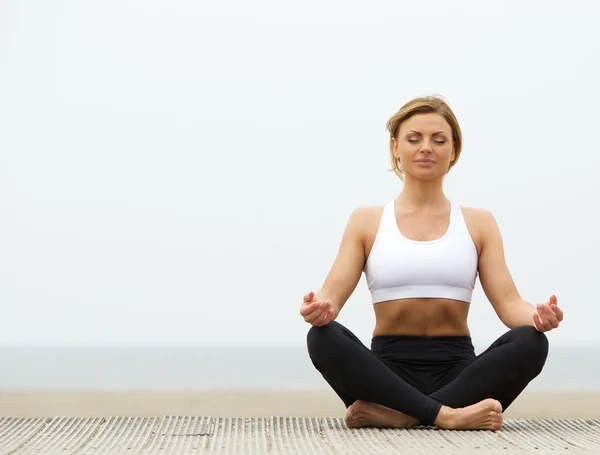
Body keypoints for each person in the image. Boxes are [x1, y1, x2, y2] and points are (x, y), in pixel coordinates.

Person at [300, 95, 564, 431]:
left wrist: (539, 318)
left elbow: (510, 305)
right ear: (395, 147)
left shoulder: (479, 222)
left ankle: (404, 415)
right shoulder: (366, 221)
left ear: (454, 151)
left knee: (532, 342)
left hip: (459, 373)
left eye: (439, 140)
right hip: (386, 376)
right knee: (321, 337)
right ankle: (448, 415)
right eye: (414, 139)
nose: (426, 147)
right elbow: (331, 297)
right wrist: (319, 310)